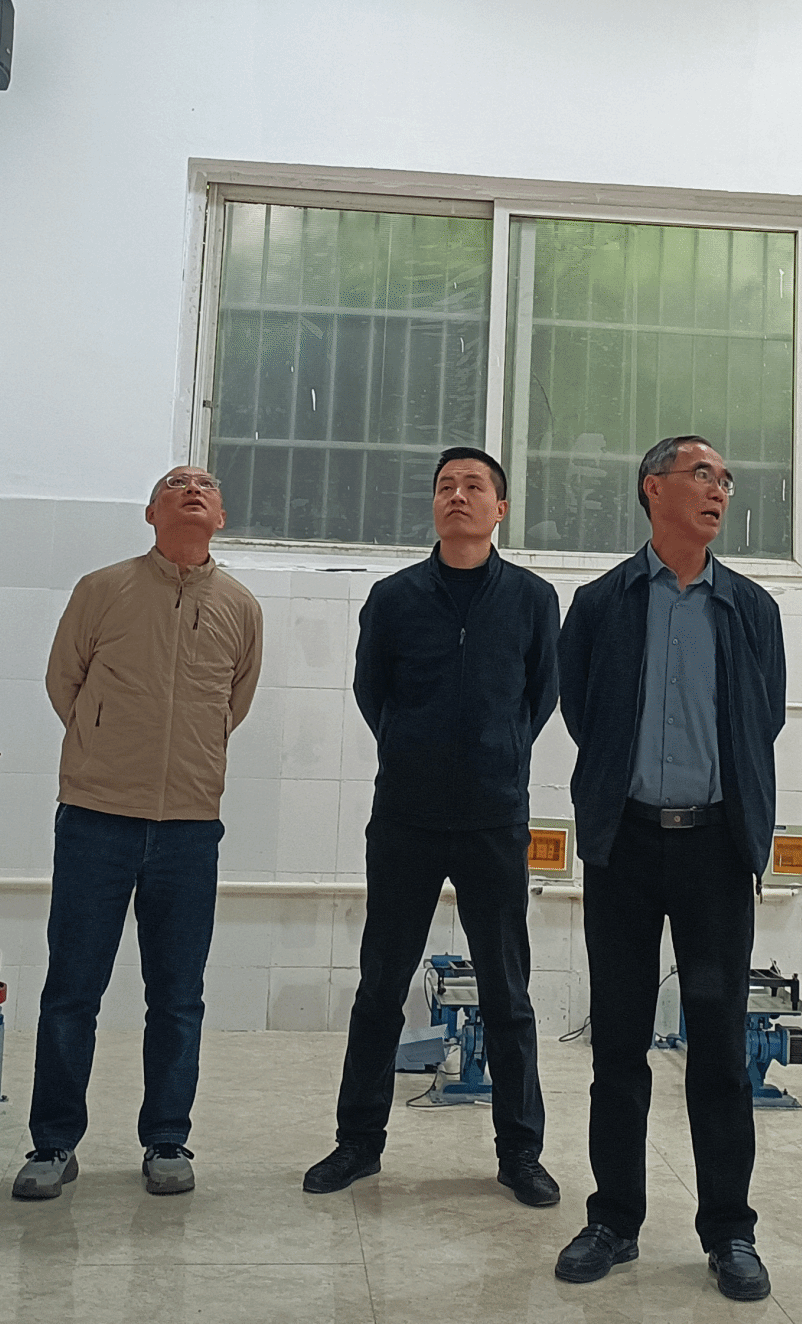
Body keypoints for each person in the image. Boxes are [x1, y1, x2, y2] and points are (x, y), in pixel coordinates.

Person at [553, 435, 787, 1305]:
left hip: (716, 850)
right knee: (618, 1043)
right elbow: (584, 711)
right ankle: (613, 1220)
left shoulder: (751, 609)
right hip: (624, 845)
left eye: (726, 479)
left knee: (719, 1048)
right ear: (654, 489)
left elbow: (763, 719)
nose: (719, 489)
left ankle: (729, 1231)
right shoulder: (601, 603)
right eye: (701, 474)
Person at [302, 447, 562, 1205]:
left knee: (507, 991)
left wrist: (498, 752)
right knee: (380, 985)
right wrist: (412, 747)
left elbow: (540, 695)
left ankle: (520, 1152)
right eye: (446, 485)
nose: (458, 495)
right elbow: (371, 690)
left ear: (499, 509)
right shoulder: (395, 597)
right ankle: (358, 1143)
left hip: (493, 818)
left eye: (474, 486)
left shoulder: (532, 599)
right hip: (406, 819)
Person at [13, 465, 262, 1202]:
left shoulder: (241, 607)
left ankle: (167, 1139)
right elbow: (64, 682)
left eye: (206, 486)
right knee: (72, 992)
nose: (192, 491)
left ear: (221, 516)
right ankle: (53, 1144)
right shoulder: (102, 590)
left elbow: (235, 701)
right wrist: (104, 749)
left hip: (190, 826)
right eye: (175, 485)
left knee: (178, 998)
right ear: (150, 512)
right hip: (96, 817)